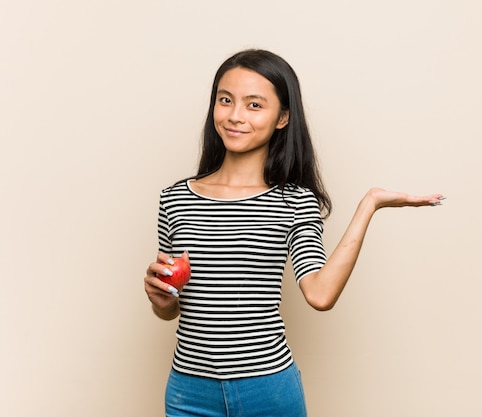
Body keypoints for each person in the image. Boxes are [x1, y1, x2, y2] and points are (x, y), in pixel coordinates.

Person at [144, 49, 445, 417]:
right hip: (188, 392)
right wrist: (162, 301)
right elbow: (172, 305)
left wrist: (370, 204)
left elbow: (320, 294)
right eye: (225, 100)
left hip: (266, 390)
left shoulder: (295, 202)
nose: (235, 115)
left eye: (254, 105)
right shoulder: (175, 199)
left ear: (282, 117)